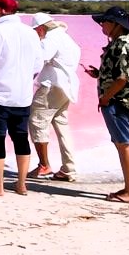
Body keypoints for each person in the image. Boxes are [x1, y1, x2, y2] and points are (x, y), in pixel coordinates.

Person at [0, 0, 42, 196]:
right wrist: (24, 80)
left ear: (2, 10)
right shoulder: (30, 32)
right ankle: (21, 184)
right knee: (21, 138)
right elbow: (38, 64)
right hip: (23, 95)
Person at [85, 6, 129, 203]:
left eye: (104, 21)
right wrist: (99, 74)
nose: (102, 25)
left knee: (123, 145)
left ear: (115, 24)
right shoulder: (126, 44)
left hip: (120, 102)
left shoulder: (122, 45)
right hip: (128, 101)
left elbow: (122, 79)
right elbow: (123, 73)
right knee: (125, 144)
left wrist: (105, 98)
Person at [29, 13, 81, 182]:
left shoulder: (50, 39)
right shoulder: (67, 38)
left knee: (36, 122)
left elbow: (39, 60)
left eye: (36, 32)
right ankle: (69, 168)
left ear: (41, 29)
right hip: (66, 87)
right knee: (61, 126)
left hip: (51, 86)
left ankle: (44, 165)